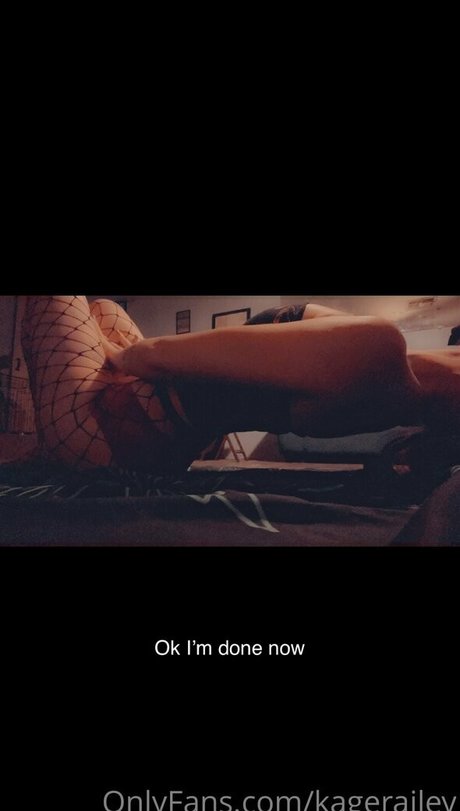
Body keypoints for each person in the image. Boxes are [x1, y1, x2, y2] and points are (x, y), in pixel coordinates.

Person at [21, 296, 460, 473]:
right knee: (106, 308)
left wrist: (114, 358)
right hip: (146, 427)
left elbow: (145, 356)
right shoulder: (392, 373)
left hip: (103, 431)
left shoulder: (379, 355)